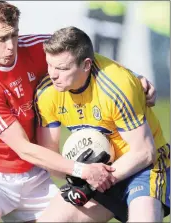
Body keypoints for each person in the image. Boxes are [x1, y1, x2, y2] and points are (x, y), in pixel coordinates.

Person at [0, 1, 158, 222]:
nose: (11, 46)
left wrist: (133, 77)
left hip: (34, 172)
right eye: (2, 39)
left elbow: (81, 54)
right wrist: (82, 170)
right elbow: (23, 148)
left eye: (14, 35)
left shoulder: (34, 47)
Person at [34, 26, 170, 222]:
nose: (53, 74)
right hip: (93, 174)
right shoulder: (46, 92)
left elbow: (145, 152)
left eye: (62, 68)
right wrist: (80, 176)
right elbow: (50, 157)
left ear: (86, 65)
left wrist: (94, 182)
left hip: (144, 168)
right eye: (50, 65)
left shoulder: (117, 86)